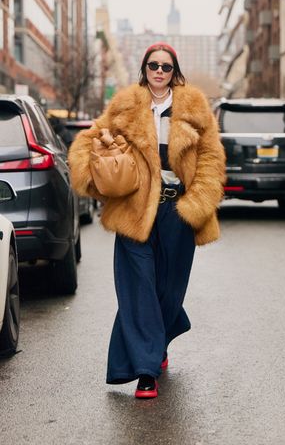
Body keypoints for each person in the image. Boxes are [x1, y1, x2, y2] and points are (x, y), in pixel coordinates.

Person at [68, 42, 226, 399]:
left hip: (177, 210)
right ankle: (145, 370)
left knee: (168, 289)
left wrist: (197, 203)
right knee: (138, 288)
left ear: (175, 72)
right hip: (133, 209)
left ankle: (165, 330)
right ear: (144, 69)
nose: (159, 71)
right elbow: (89, 142)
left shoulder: (195, 107)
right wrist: (90, 170)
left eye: (166, 67)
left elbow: (211, 159)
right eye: (153, 65)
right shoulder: (125, 104)